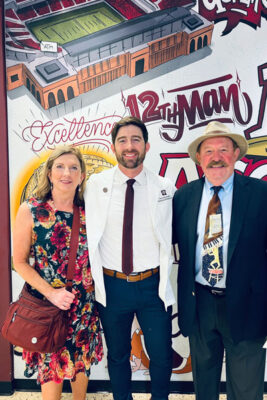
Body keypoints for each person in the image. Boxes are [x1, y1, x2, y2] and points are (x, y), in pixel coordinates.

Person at [172, 121, 267, 400]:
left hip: (249, 305)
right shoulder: (184, 196)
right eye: (209, 151)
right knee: (205, 384)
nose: (216, 157)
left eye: (223, 150)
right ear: (199, 159)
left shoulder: (261, 194)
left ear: (236, 153)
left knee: (247, 388)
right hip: (200, 303)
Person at [84, 116, 176, 400]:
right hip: (113, 287)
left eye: (136, 139)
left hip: (153, 286)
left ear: (146, 146)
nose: (129, 146)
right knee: (118, 355)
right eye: (122, 140)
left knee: (161, 355)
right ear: (114, 147)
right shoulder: (94, 185)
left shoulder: (165, 187)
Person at [13, 145, 103, 400]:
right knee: (50, 375)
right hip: (47, 308)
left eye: (74, 167)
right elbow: (19, 262)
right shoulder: (30, 211)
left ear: (82, 175)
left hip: (83, 308)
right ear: (50, 173)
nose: (67, 173)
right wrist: (51, 293)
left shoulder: (90, 212)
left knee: (80, 370)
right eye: (60, 167)